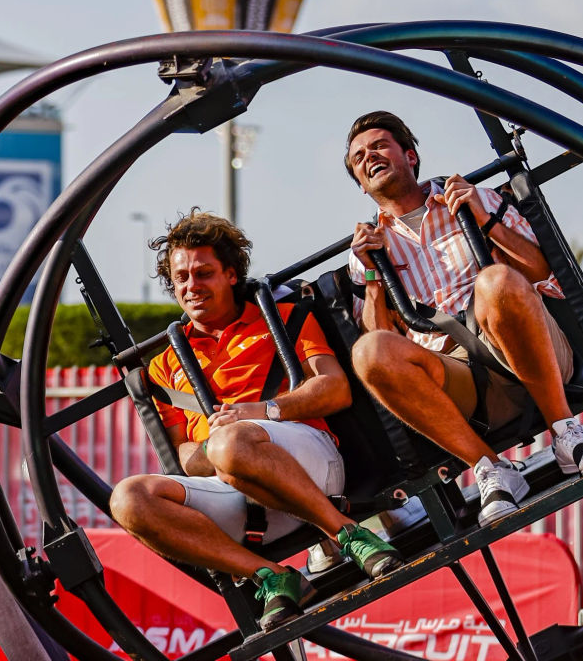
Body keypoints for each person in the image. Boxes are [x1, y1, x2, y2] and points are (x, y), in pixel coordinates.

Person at [109, 209, 401, 630]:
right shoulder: (163, 365)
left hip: (310, 465)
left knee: (232, 443)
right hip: (235, 494)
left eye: (203, 273)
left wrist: (259, 414)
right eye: (182, 278)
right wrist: (221, 447)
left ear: (231, 274)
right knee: (128, 498)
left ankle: (345, 533)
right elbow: (185, 455)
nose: (192, 286)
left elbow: (334, 389)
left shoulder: (281, 317)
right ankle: (268, 575)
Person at [342, 111, 583, 527]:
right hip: (458, 379)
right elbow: (381, 351)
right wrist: (372, 277)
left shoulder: (475, 198)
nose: (369, 157)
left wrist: (486, 221)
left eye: (379, 145)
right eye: (359, 157)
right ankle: (490, 468)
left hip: (522, 346)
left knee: (496, 281)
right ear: (361, 185)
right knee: (367, 351)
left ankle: (566, 430)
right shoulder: (368, 250)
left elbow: (546, 276)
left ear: (410, 156)